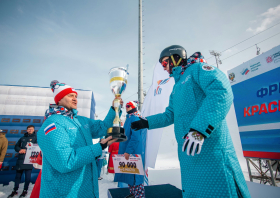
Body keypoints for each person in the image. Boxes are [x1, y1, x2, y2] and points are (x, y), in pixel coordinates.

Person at [131, 46, 251, 198]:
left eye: (165, 63)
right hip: (189, 153)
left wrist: (199, 131)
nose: (164, 68)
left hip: (210, 151)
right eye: (161, 65)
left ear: (175, 57)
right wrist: (147, 122)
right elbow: (170, 114)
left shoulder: (197, 69)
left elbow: (221, 90)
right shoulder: (176, 87)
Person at [37, 80, 121, 198]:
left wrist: (114, 108)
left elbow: (103, 127)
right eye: (70, 95)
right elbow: (65, 161)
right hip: (64, 194)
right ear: (59, 99)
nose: (75, 98)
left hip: (86, 191)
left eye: (76, 96)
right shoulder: (52, 124)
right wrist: (99, 147)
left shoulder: (80, 120)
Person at [115, 101, 146, 198]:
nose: (126, 107)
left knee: (136, 176)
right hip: (127, 151)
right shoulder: (129, 118)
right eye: (126, 106)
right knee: (129, 173)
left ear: (134, 107)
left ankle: (139, 195)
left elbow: (135, 138)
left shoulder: (135, 118)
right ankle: (133, 194)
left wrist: (128, 151)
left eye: (128, 106)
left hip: (133, 152)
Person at [8, 125, 37, 198]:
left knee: (27, 177)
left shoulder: (36, 138)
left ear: (33, 130)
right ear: (27, 130)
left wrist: (27, 150)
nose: (30, 130)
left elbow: (37, 148)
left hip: (29, 160)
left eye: (31, 129)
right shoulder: (22, 138)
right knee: (17, 177)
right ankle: (15, 190)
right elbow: (16, 146)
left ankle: (25, 190)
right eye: (29, 129)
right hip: (20, 160)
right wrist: (19, 150)